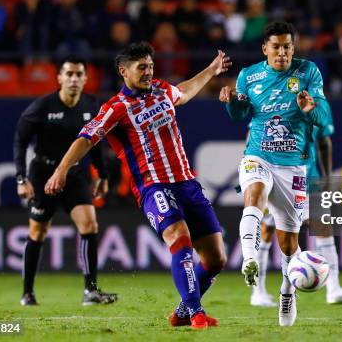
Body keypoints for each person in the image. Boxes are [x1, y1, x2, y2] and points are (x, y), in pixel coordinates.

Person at [44, 42, 230, 329]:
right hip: (153, 187)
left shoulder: (162, 90)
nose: (148, 72)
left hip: (187, 183)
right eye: (141, 67)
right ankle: (196, 314)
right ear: (124, 71)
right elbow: (86, 138)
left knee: (216, 259)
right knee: (179, 237)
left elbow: (185, 91)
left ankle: (182, 311)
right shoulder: (116, 108)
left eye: (151, 66)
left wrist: (211, 70)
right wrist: (61, 170)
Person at [219, 21, 329, 326]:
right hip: (258, 155)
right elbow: (241, 114)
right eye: (276, 46)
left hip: (293, 165)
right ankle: (250, 258)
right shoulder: (248, 76)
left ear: (293, 48)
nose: (282, 52)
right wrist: (231, 104)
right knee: (253, 193)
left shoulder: (308, 72)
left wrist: (310, 109)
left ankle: (286, 292)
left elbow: (322, 115)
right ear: (265, 48)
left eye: (287, 46)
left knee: (289, 246)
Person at [13, 58, 116, 306]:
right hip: (44, 174)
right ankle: (27, 293)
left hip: (76, 174)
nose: (73, 79)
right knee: (38, 231)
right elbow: (20, 140)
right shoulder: (42, 106)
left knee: (89, 225)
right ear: (59, 78)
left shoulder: (92, 105)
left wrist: (101, 175)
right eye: (68, 74)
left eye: (78, 74)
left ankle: (90, 291)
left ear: (85, 79)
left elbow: (95, 143)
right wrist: (21, 178)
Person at [250, 102, 342, 307]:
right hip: (277, 178)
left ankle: (334, 289)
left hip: (309, 179)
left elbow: (324, 142)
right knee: (266, 230)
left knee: (323, 230)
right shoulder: (268, 99)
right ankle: (258, 292)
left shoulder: (319, 104)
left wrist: (326, 177)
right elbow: (252, 139)